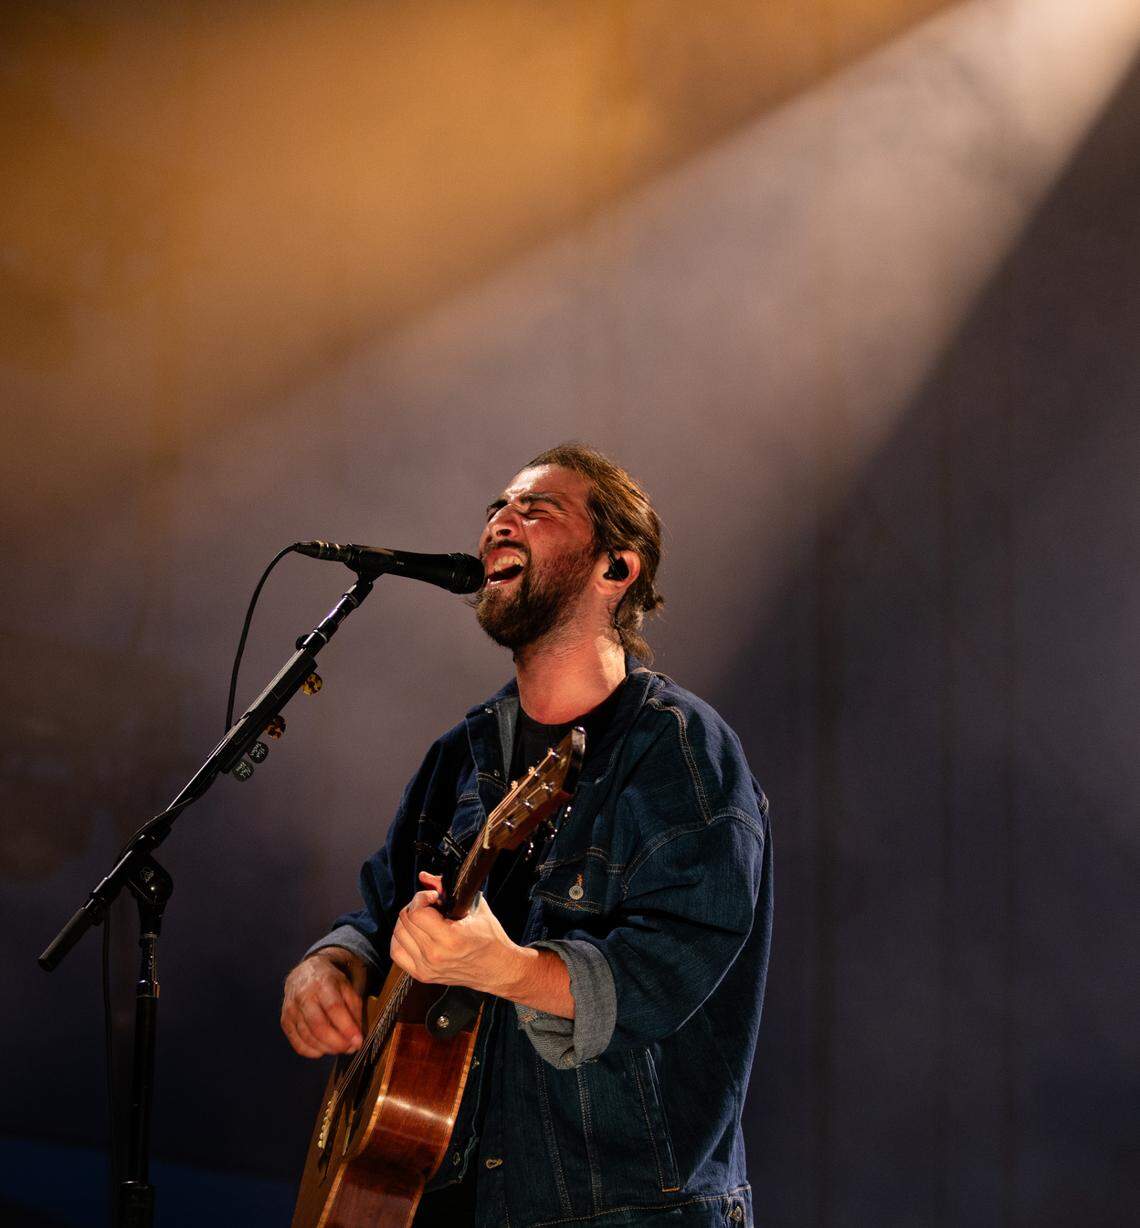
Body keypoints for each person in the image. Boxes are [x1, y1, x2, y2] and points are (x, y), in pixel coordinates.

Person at [281, 443, 773, 1227]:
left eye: (535, 509)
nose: (499, 523)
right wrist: (325, 968)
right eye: (495, 511)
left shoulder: (676, 747)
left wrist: (506, 968)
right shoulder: (459, 756)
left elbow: (675, 961)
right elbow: (378, 915)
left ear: (618, 568)